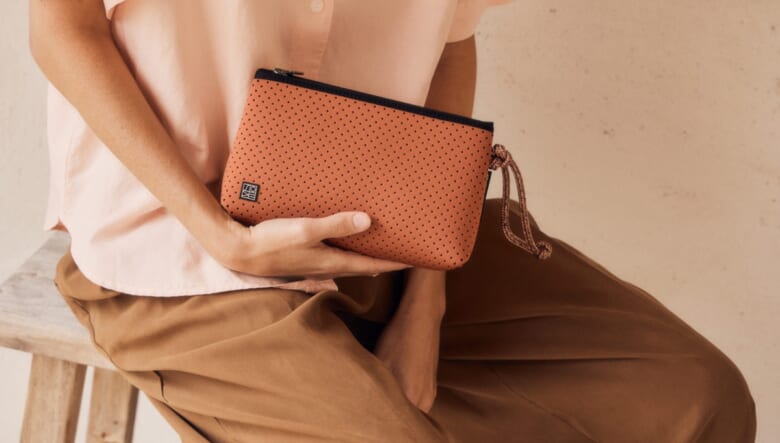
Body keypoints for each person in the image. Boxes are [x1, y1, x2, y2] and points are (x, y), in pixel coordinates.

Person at [29, 0, 756, 441]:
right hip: (176, 250)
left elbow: (451, 40)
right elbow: (61, 26)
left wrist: (424, 301)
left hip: (387, 227)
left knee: (697, 394)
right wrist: (220, 234)